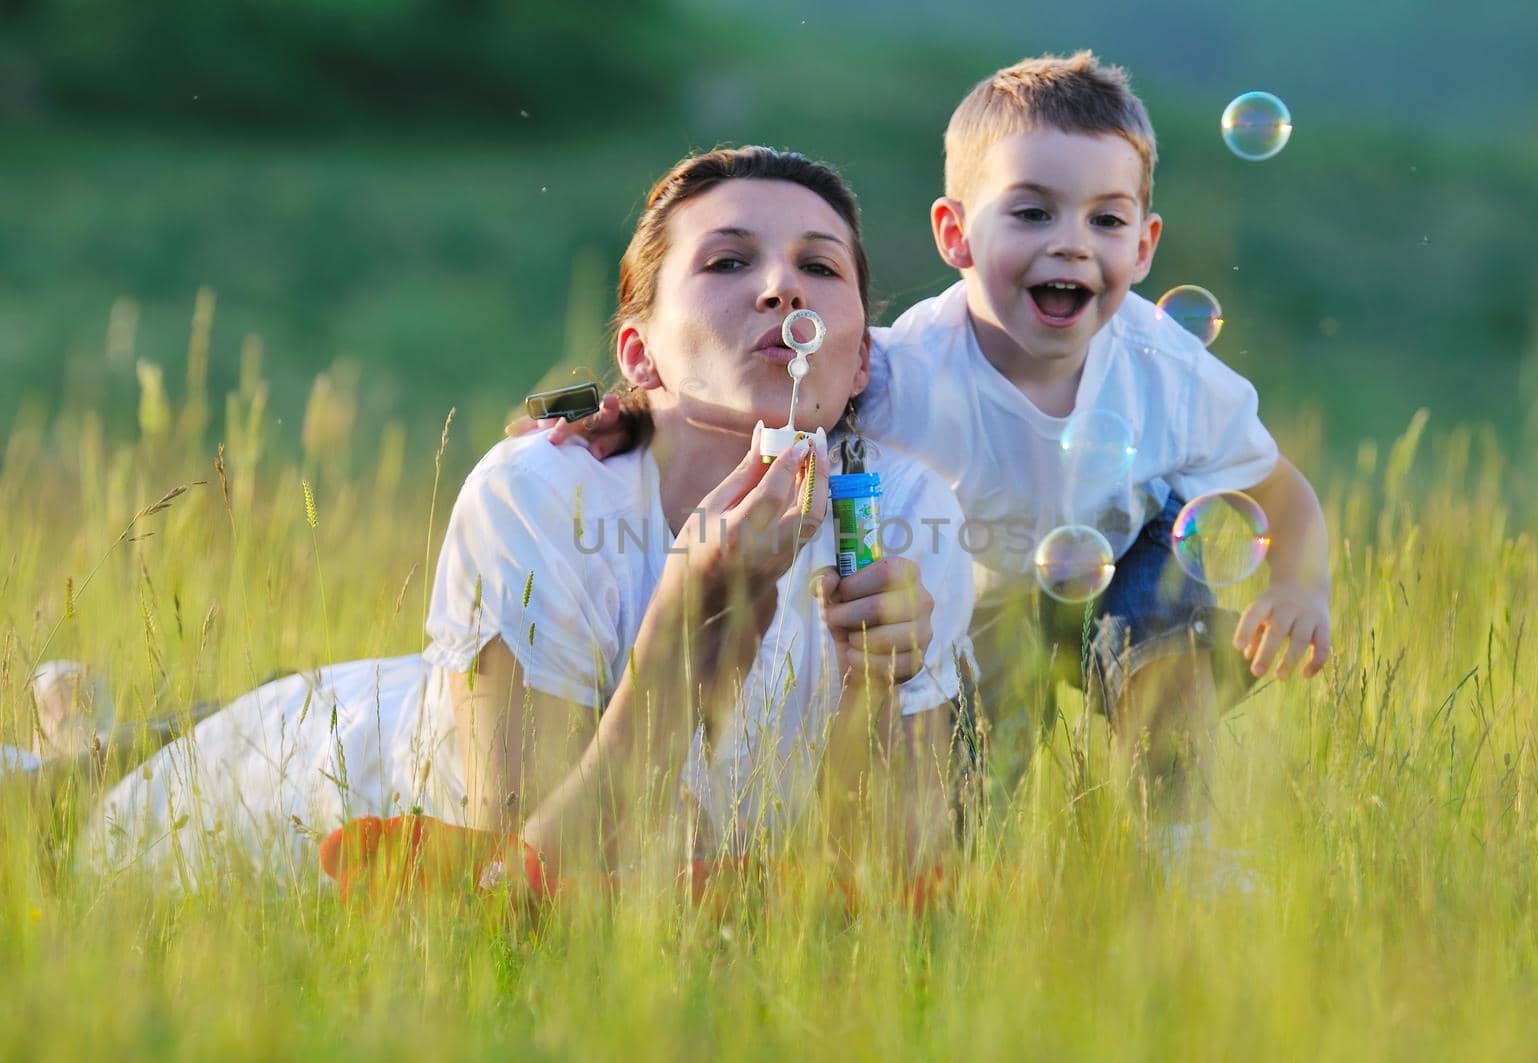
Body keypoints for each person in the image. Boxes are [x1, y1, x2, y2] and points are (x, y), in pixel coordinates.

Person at [73, 146, 975, 894]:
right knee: (61, 807)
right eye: (728, 261)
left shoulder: (904, 513)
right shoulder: (543, 493)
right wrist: (679, 636)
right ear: (640, 353)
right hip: (285, 798)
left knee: (103, 743)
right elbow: (532, 888)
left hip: (430, 699)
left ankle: (77, 728)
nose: (783, 286)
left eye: (819, 265)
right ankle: (70, 747)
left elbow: (888, 893)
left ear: (859, 361)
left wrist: (878, 689)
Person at [517, 53, 1333, 871]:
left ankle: (1181, 844)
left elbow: (1279, 494)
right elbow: (782, 393)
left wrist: (1300, 586)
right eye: (1032, 214)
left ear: (1147, 246)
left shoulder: (1167, 370)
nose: (1071, 245)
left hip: (1117, 572)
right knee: (962, 817)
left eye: (1106, 221)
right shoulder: (905, 371)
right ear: (955, 235)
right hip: (965, 615)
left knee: (1164, 621)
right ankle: (989, 885)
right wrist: (619, 412)